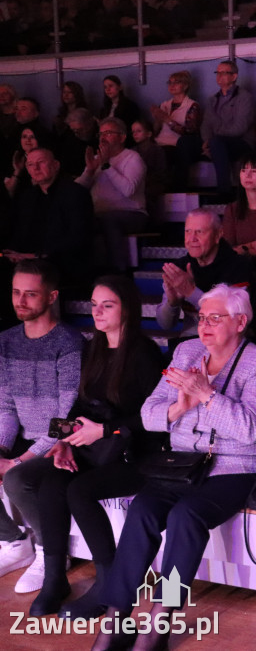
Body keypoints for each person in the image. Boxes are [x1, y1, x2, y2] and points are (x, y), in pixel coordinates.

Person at [91, 284, 256, 651]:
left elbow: (251, 429)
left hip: (235, 467)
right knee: (143, 509)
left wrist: (207, 395)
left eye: (215, 318)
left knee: (186, 516)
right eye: (201, 317)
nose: (204, 325)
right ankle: (116, 616)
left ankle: (161, 618)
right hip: (182, 464)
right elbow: (149, 415)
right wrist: (178, 408)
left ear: (241, 321)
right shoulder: (186, 351)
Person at [8, 277, 163, 618]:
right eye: (94, 304)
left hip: (134, 453)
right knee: (49, 484)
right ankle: (53, 579)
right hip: (93, 448)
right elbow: (78, 407)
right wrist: (63, 441)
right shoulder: (92, 347)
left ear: (127, 309)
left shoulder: (144, 354)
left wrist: (105, 430)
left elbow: (152, 418)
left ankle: (111, 584)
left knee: (79, 490)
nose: (97, 311)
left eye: (107, 305)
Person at [0, 261, 83, 589]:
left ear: (52, 297)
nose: (20, 300)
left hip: (62, 442)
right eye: (16, 292)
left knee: (18, 479)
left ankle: (50, 551)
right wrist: (2, 449)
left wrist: (18, 461)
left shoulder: (69, 342)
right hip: (24, 438)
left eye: (30, 294)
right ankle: (13, 541)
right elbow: (6, 406)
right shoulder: (6, 341)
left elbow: (68, 417)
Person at [3, 147, 95, 289]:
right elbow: (19, 232)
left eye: (41, 162)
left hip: (63, 260)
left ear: (56, 165)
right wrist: (14, 253)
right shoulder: (27, 197)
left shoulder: (75, 193)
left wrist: (38, 255)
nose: (36, 168)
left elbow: (79, 237)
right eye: (30, 165)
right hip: (30, 259)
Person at [156, 207, 252, 336]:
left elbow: (233, 319)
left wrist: (191, 292)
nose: (192, 238)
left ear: (218, 235)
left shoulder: (238, 266)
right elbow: (165, 325)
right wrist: (172, 303)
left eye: (199, 232)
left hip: (229, 341)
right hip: (191, 340)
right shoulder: (178, 268)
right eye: (188, 232)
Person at [75, 117, 148, 272]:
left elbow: (128, 190)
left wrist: (107, 165)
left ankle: (119, 273)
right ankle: (83, 274)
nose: (103, 137)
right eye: (101, 134)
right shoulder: (96, 159)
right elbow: (78, 190)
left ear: (122, 137)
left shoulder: (132, 158)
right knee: (76, 220)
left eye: (108, 133)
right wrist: (89, 170)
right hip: (100, 214)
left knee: (109, 220)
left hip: (133, 214)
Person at [181, 60, 256, 200]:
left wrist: (213, 140)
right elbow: (206, 124)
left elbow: (240, 127)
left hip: (241, 143)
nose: (219, 76)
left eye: (224, 73)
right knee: (185, 142)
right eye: (218, 72)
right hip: (216, 142)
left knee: (217, 142)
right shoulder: (212, 100)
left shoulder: (245, 97)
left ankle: (224, 192)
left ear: (234, 76)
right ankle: (180, 190)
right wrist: (207, 141)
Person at [150, 70, 200, 169]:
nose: (172, 85)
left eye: (176, 82)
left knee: (164, 154)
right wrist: (157, 118)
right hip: (159, 142)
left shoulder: (192, 105)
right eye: (170, 82)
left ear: (185, 86)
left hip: (177, 144)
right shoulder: (164, 104)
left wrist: (167, 119)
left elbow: (189, 131)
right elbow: (156, 131)